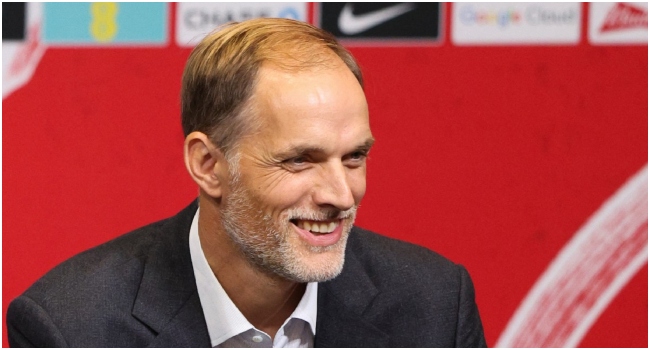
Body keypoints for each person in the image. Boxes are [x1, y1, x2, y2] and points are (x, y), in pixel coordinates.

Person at [7, 18, 486, 347]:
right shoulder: (74, 327)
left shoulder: (435, 306)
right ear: (208, 164)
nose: (342, 195)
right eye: (301, 160)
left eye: (355, 157)